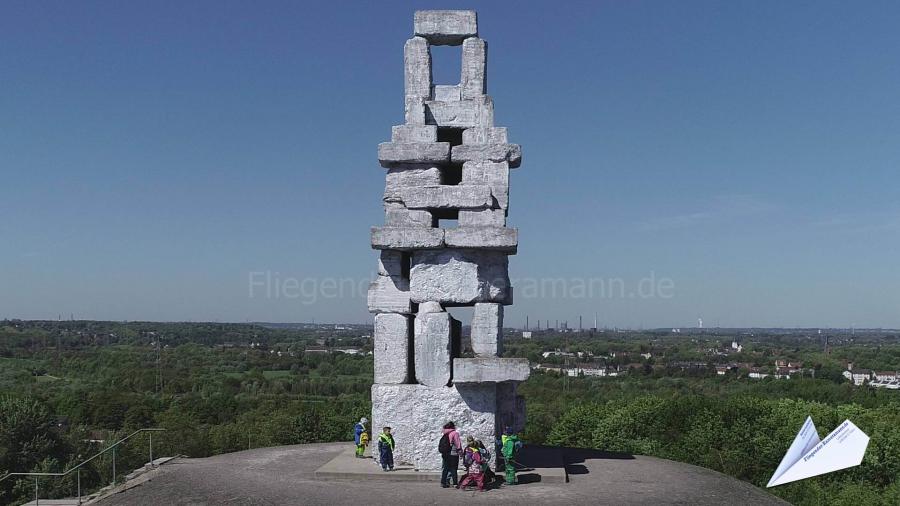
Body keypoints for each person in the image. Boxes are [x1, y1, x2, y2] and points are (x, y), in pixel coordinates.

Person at [439, 421, 463, 488]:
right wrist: (461, 453)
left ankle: (443, 482)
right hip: (453, 453)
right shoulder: (455, 433)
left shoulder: (445, 433)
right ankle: (455, 483)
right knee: (453, 469)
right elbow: (458, 444)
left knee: (445, 468)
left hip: (445, 453)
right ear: (453, 426)